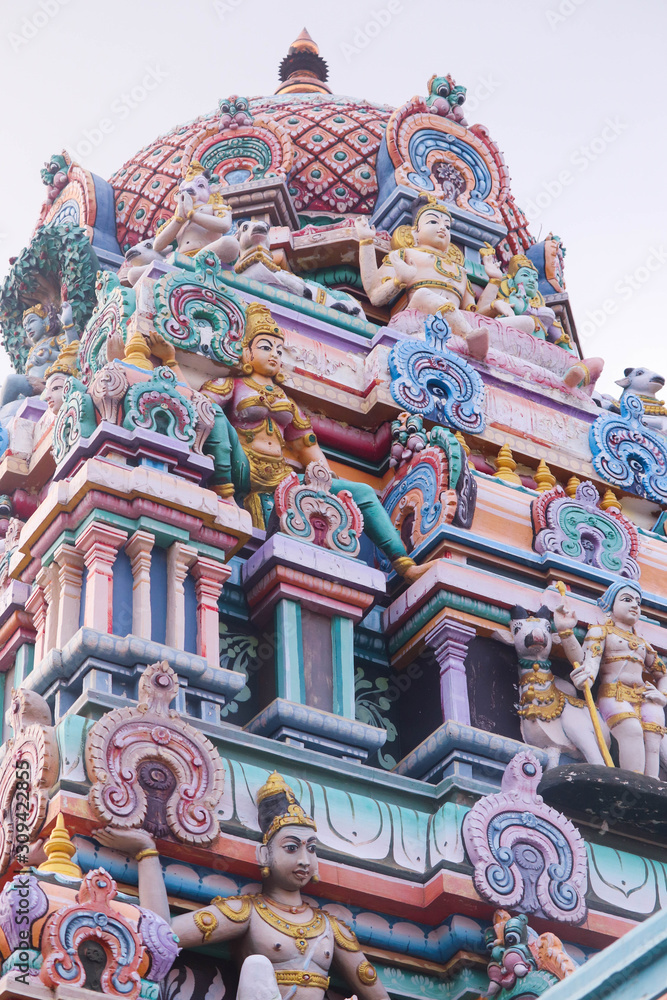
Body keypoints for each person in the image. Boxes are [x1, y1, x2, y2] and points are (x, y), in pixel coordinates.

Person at [149, 303, 435, 582]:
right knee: (214, 416)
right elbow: (195, 405)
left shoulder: (286, 401)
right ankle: (226, 498)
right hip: (242, 468)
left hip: (283, 477)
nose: (274, 354)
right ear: (246, 351)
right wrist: (172, 361)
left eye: (278, 349)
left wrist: (322, 477)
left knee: (361, 492)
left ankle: (403, 563)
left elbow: (307, 446)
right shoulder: (231, 386)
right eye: (265, 347)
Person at [95, 772, 388, 1000]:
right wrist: (147, 854)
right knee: (257, 966)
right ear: (264, 855)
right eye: (291, 847)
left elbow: (375, 993)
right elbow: (158, 935)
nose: (304, 859)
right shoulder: (247, 912)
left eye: (312, 849)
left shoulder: (331, 928)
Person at [554, 580, 667, 776]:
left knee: (653, 737)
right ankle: (634, 781)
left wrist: (662, 695)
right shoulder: (601, 632)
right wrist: (566, 633)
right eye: (627, 599)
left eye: (638, 603)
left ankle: (652, 783)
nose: (634, 605)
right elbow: (587, 664)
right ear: (610, 606)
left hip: (644, 696)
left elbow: (662, 673)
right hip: (615, 695)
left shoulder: (642, 644)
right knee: (631, 730)